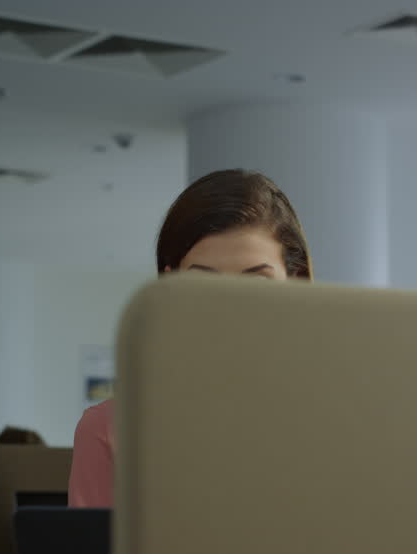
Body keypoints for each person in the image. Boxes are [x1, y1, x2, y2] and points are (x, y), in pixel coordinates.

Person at [68, 169, 314, 508]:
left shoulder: (334, 423)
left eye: (256, 283)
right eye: (203, 284)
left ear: (295, 282)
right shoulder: (109, 430)